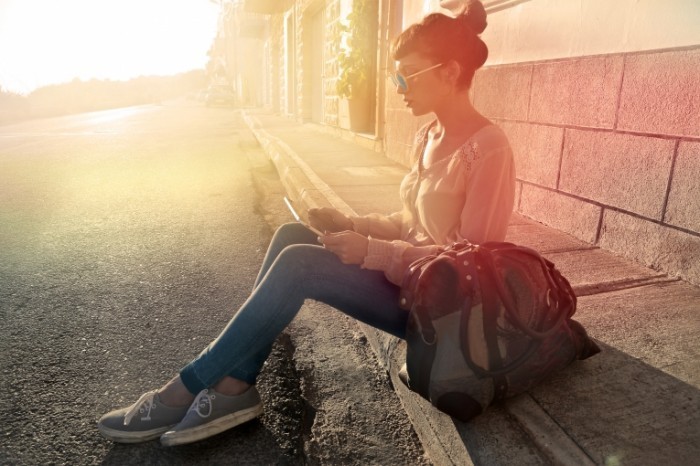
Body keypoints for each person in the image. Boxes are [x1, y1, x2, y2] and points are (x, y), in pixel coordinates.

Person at [97, 0, 515, 447]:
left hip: (441, 309)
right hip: (408, 280)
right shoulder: (428, 137)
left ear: (449, 72)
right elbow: (409, 222)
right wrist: (351, 222)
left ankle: (180, 390)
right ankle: (235, 386)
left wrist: (373, 252)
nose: (396, 87)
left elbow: (475, 263)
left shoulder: (489, 148)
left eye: (405, 74)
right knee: (292, 234)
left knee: (301, 264)